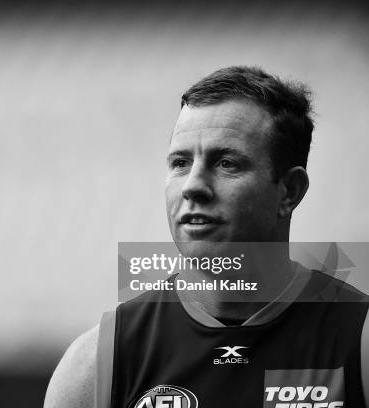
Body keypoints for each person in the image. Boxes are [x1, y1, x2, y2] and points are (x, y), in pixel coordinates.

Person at [44, 66, 369, 408]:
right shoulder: (97, 365)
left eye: (226, 163)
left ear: (289, 191)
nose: (193, 186)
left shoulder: (358, 340)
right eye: (180, 162)